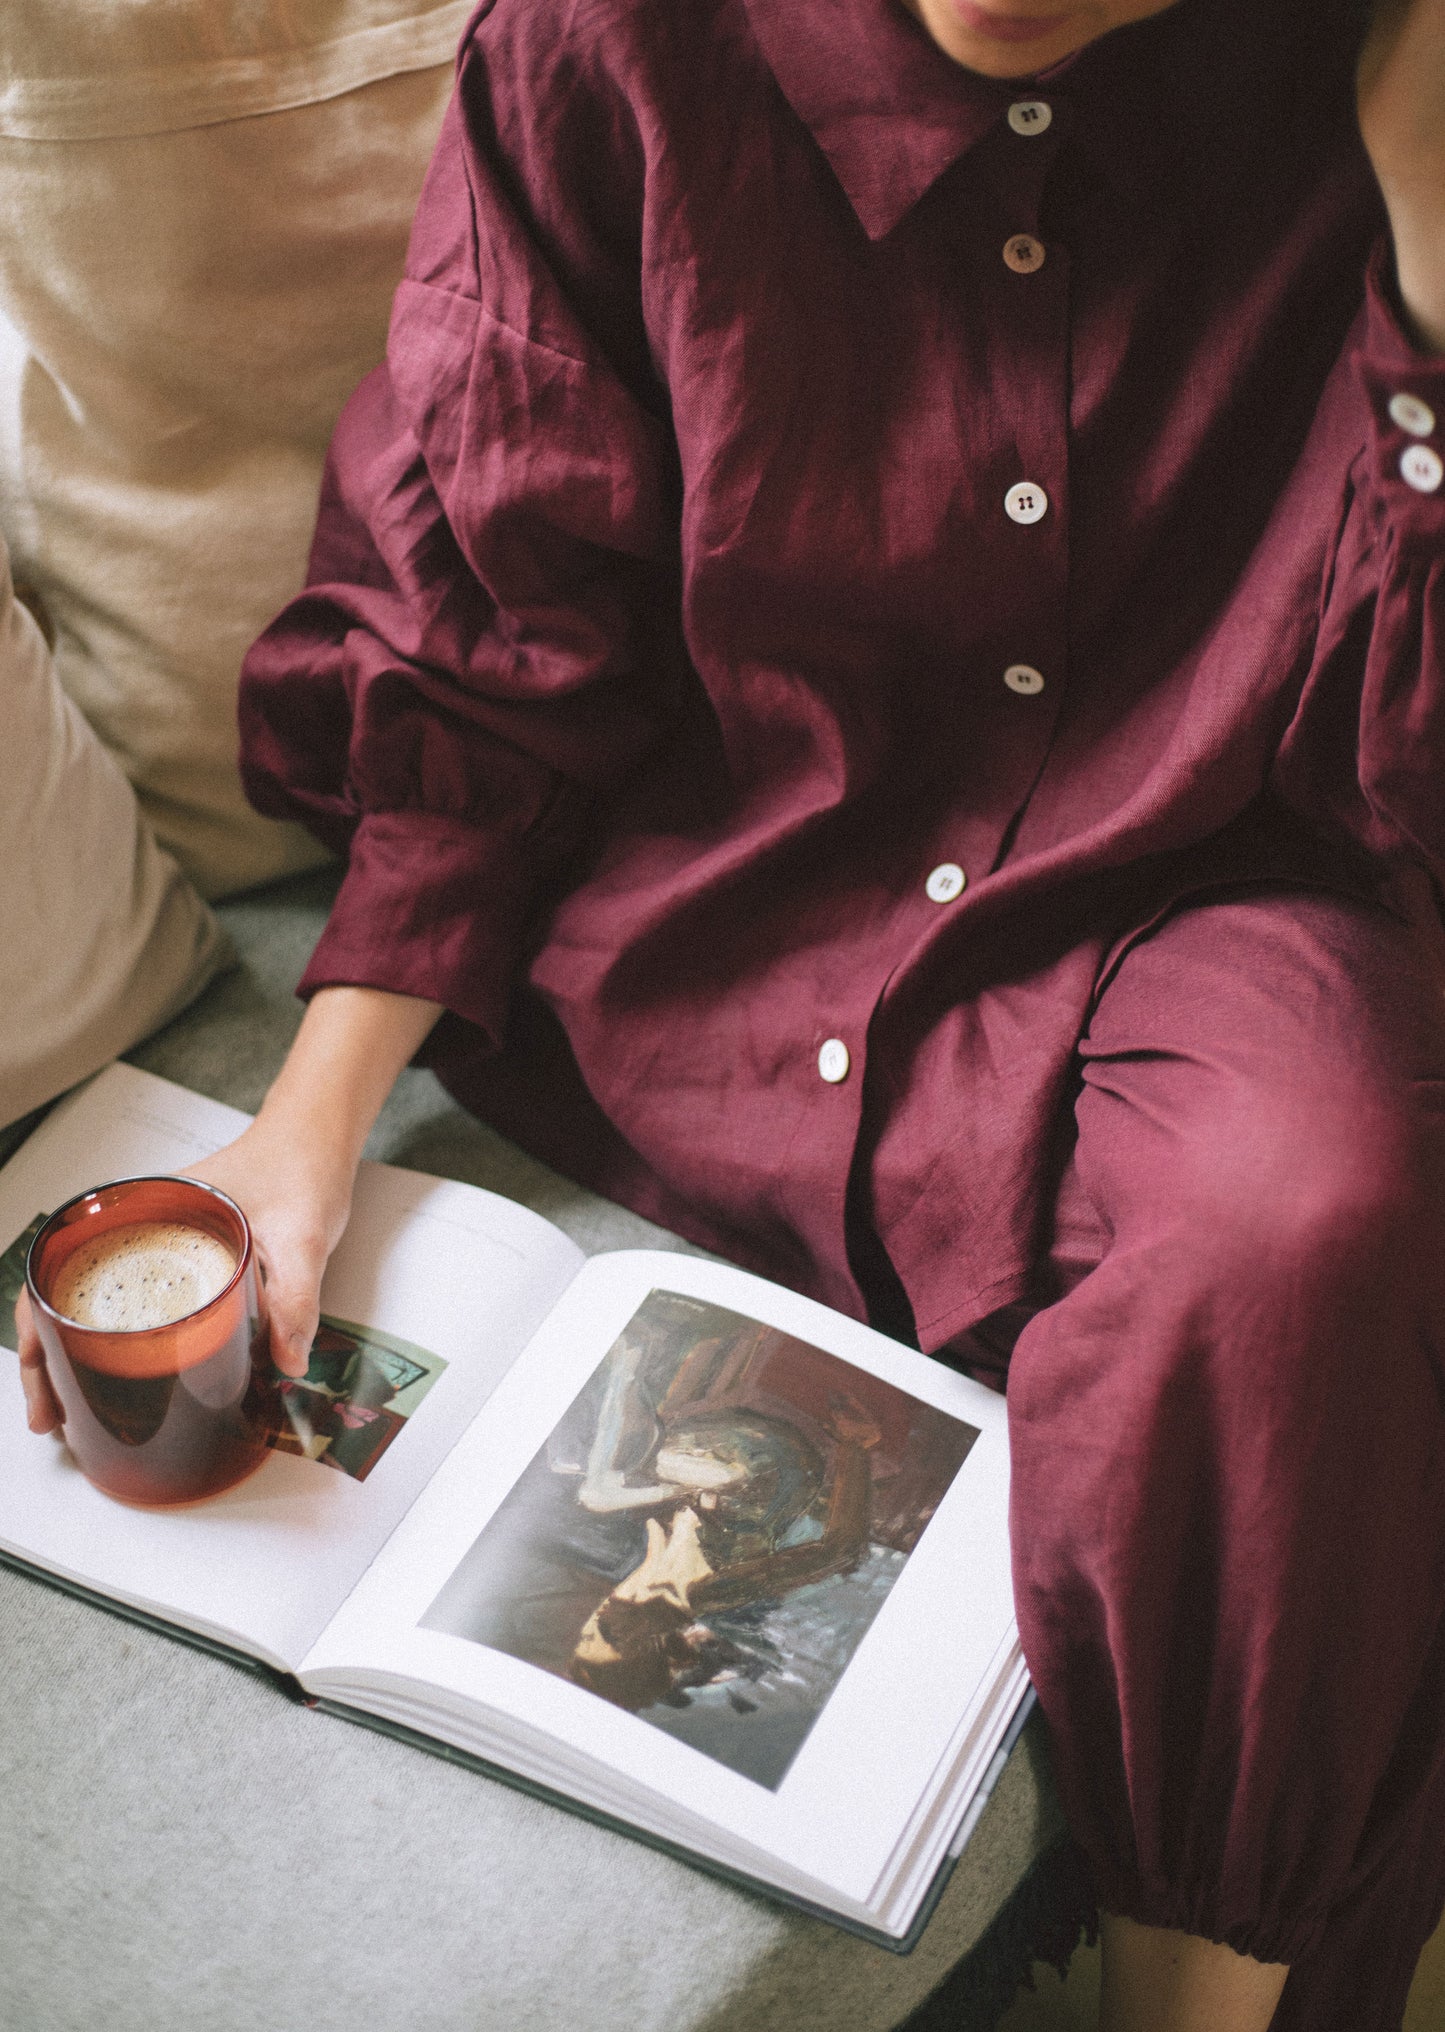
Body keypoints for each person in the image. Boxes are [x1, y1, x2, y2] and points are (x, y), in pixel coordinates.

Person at [19, 0, 1445, 2022]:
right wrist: (304, 1133)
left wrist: (1430, 278)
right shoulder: (612, 42)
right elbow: (495, 612)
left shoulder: (1363, 75)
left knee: (1315, 1217)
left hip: (1203, 870)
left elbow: (1409, 771)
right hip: (731, 898)